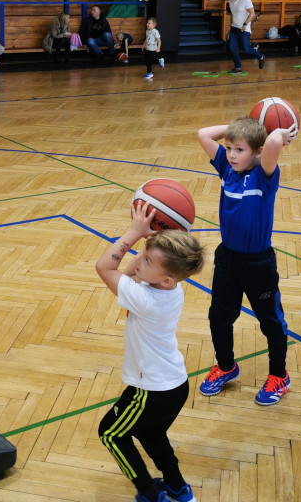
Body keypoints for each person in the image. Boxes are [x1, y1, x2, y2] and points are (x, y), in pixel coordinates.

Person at [95, 202, 204, 502]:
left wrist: (133, 233)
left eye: (146, 261)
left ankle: (149, 492)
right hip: (174, 385)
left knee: (111, 433)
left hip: (150, 391)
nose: (139, 260)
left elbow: (105, 268)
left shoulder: (144, 298)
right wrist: (149, 249)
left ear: (166, 278)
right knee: (151, 434)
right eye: (142, 256)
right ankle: (179, 489)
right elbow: (133, 277)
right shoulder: (172, 288)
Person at [196, 117, 297, 405]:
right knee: (219, 316)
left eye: (239, 149)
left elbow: (274, 143)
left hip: (259, 264)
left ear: (257, 152)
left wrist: (273, 131)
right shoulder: (227, 169)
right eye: (228, 148)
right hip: (228, 259)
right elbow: (204, 132)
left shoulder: (265, 176)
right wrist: (236, 127)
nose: (231, 154)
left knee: (271, 323)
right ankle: (226, 366)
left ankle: (279, 375)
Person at [226, 0, 265, 73]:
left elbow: (252, 13)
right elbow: (232, 15)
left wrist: (245, 24)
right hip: (234, 28)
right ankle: (238, 67)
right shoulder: (231, 2)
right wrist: (230, 26)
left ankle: (260, 56)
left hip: (244, 29)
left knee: (246, 49)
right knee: (232, 48)